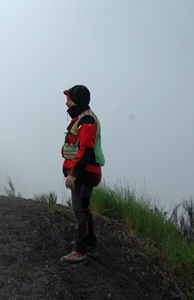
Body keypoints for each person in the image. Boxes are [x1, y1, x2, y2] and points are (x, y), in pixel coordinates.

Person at [60, 84, 105, 264]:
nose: (66, 103)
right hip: (87, 172)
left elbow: (85, 150)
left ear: (77, 100)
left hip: (84, 173)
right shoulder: (84, 118)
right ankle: (89, 245)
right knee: (84, 210)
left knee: (80, 211)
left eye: (69, 99)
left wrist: (73, 174)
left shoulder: (87, 121)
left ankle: (80, 251)